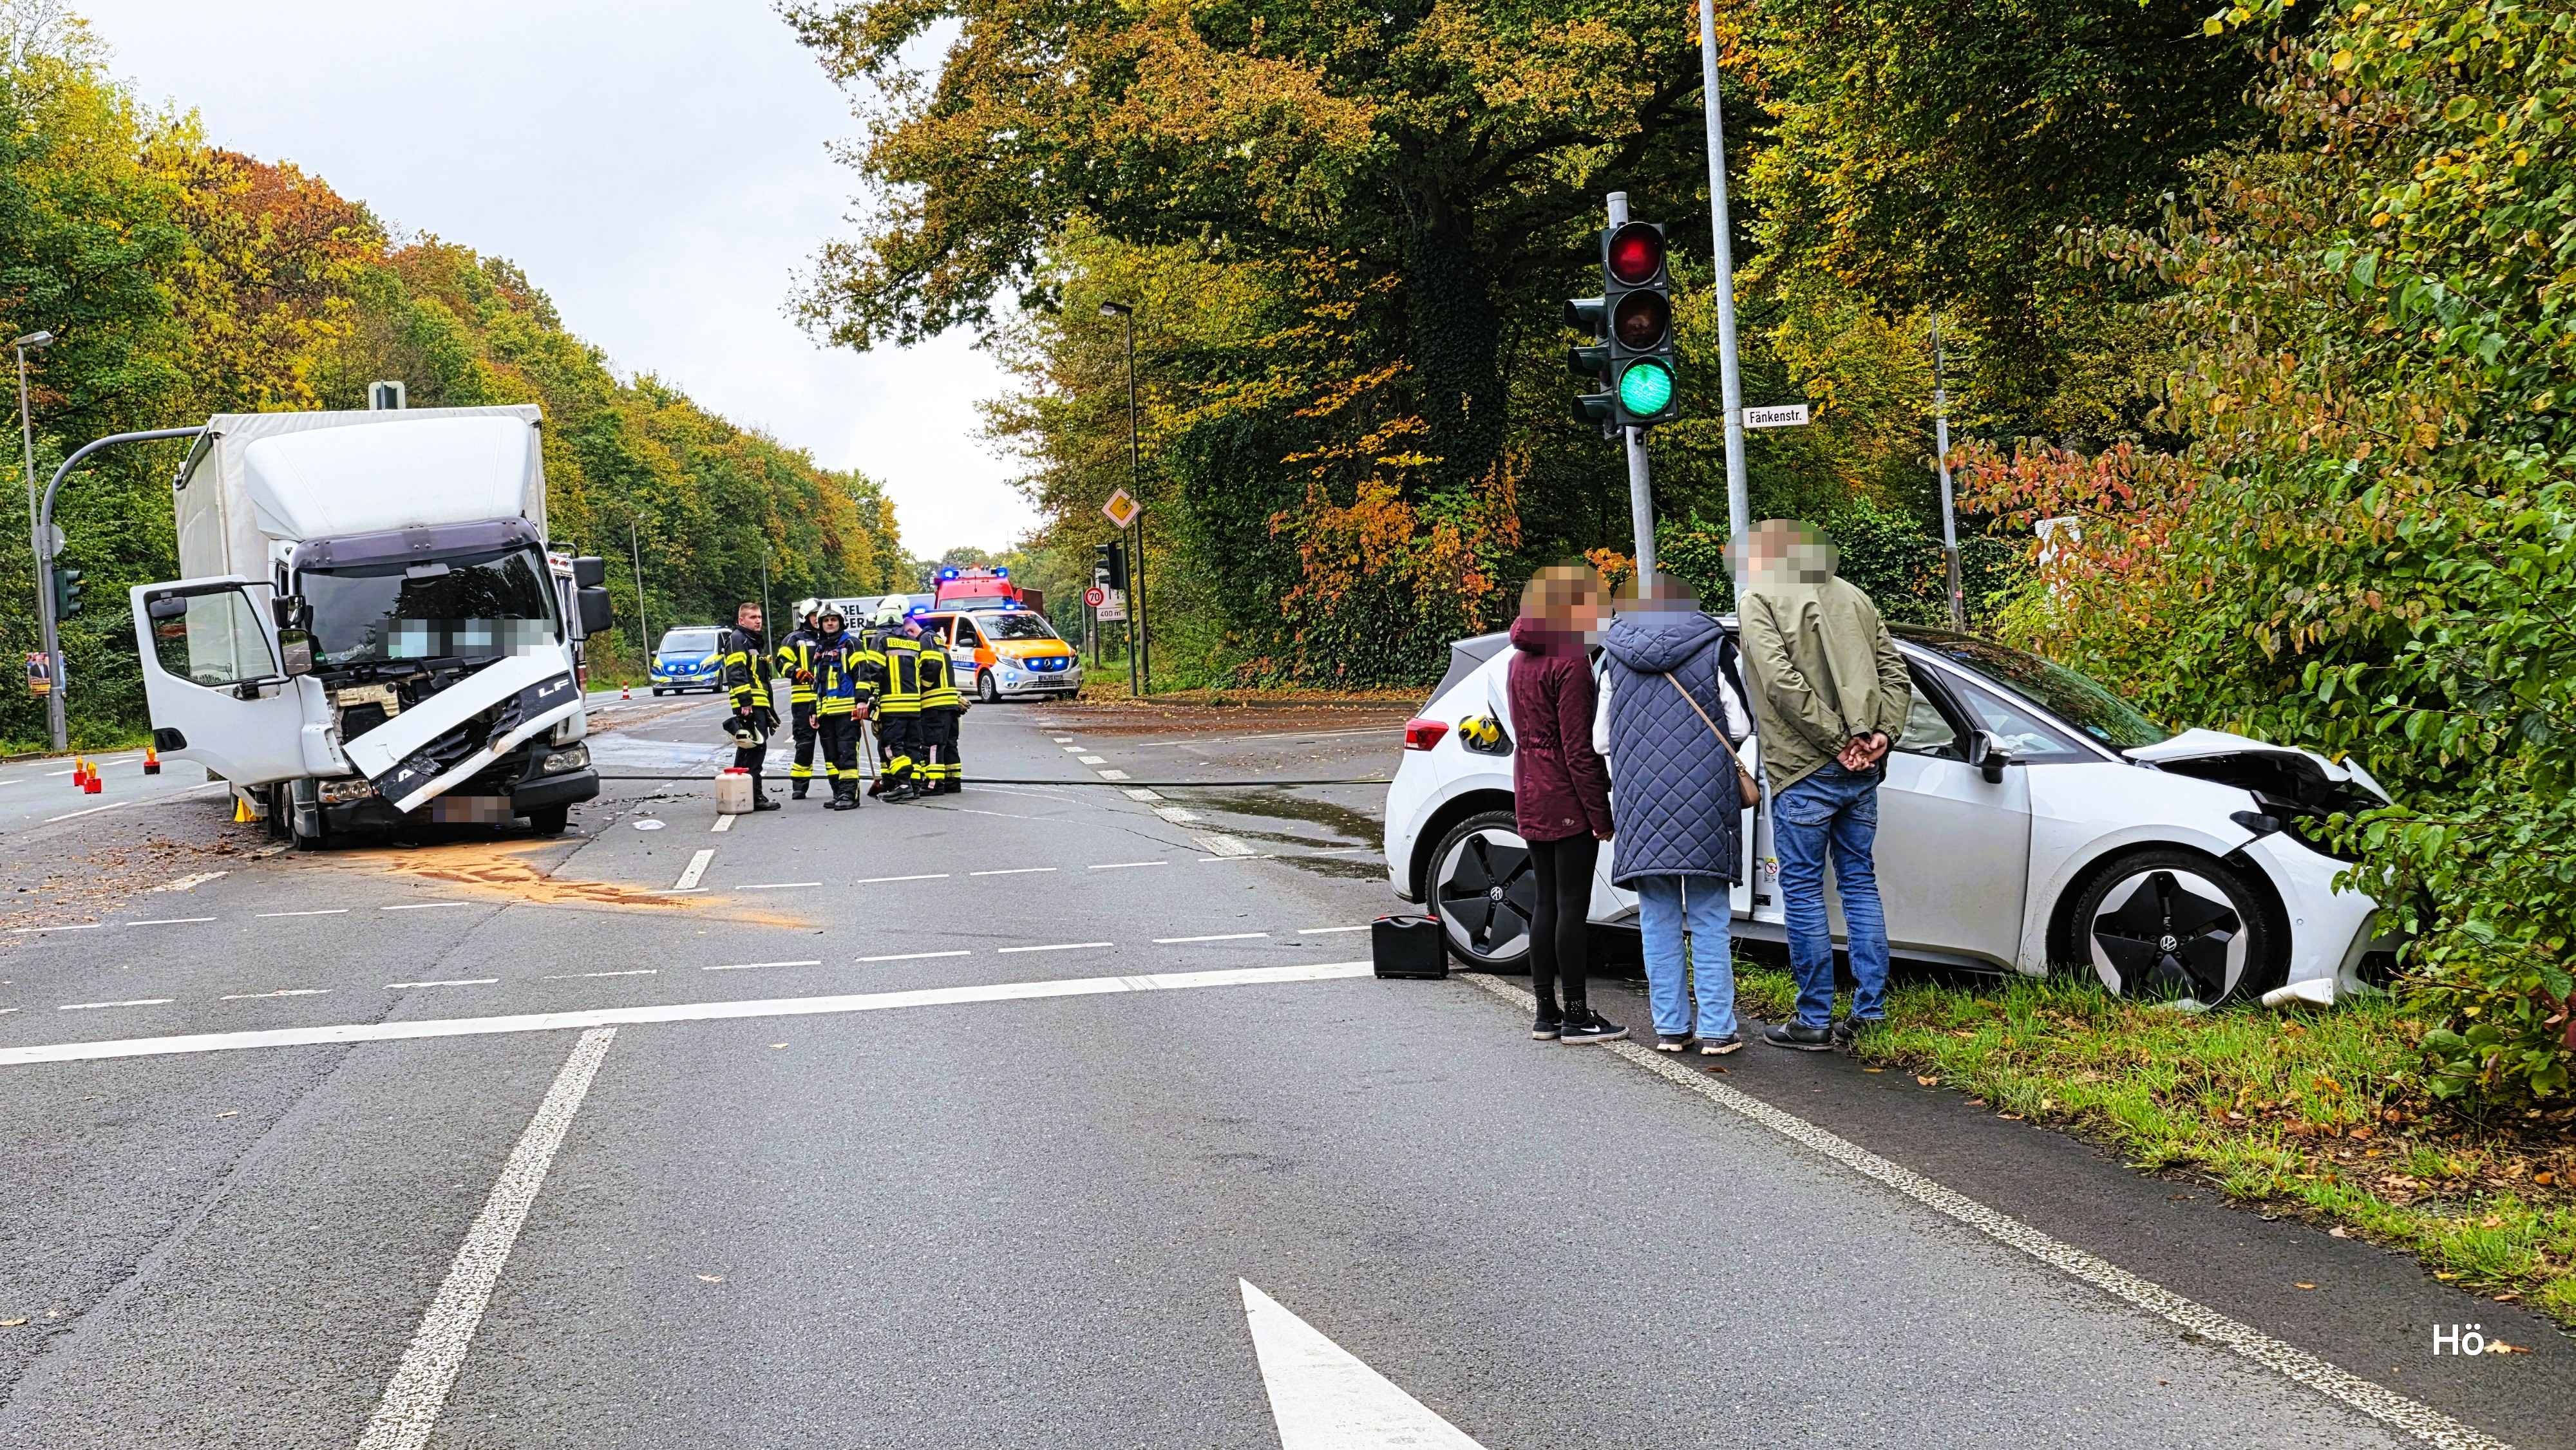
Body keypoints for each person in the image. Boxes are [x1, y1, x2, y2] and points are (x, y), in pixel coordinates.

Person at [1737, 520, 1912, 1050]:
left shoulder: (1759, 599)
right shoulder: (1856, 597)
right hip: (1862, 770)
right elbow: (1896, 675)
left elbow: (1781, 684)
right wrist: (1881, 736)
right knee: (1859, 882)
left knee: (1803, 891)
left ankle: (1813, 1018)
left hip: (1802, 766)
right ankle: (1870, 1013)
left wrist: (1838, 742)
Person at [1592, 570, 1754, 1055]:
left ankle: (1670, 1029)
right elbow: (1740, 726)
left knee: (1657, 918)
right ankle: (1717, 1030)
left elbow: (1600, 739)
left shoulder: (1612, 656)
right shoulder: (1715, 646)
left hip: (1640, 802)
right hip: (1706, 799)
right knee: (1709, 918)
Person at [1506, 564, 1623, 1045]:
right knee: (1573, 905)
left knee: (1545, 902)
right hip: (1566, 796)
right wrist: (1600, 814)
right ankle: (1577, 1015)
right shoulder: (1571, 662)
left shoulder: (1519, 658)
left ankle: (1545, 1012)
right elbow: (1579, 749)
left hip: (1530, 788)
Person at [721, 600, 784, 812]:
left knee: (748, 748)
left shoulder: (751, 640)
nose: (758, 621)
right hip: (750, 704)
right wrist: (745, 701)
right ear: (741, 620)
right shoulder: (738, 639)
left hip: (757, 702)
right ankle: (754, 796)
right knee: (756, 748)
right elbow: (736, 671)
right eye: (753, 617)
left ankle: (743, 793)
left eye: (759, 617)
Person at [809, 608, 866, 810]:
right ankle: (839, 793)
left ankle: (850, 795)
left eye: (834, 620)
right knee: (832, 755)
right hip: (825, 712)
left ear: (840, 622)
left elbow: (861, 672)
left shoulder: (851, 643)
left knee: (847, 753)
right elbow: (817, 683)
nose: (830, 623)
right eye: (826, 621)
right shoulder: (821, 648)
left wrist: (861, 700)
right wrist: (813, 710)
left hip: (846, 710)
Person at [869, 605, 924, 803]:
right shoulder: (913, 642)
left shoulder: (880, 639)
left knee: (891, 746)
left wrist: (867, 696)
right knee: (912, 747)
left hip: (893, 704)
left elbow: (874, 670)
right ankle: (915, 786)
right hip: (914, 705)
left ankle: (903, 785)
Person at [775, 600, 824, 800]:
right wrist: (795, 671)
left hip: (828, 701)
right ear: (805, 617)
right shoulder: (794, 639)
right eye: (814, 615)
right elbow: (781, 662)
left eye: (820, 615)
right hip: (804, 701)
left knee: (833, 745)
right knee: (804, 745)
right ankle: (799, 785)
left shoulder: (831, 638)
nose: (818, 619)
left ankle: (841, 785)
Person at [916, 618, 966, 794]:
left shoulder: (925, 640)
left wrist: (922, 685)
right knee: (949, 744)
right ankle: (952, 780)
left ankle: (934, 783)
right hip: (949, 703)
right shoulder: (936, 639)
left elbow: (932, 666)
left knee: (933, 745)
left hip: (934, 703)